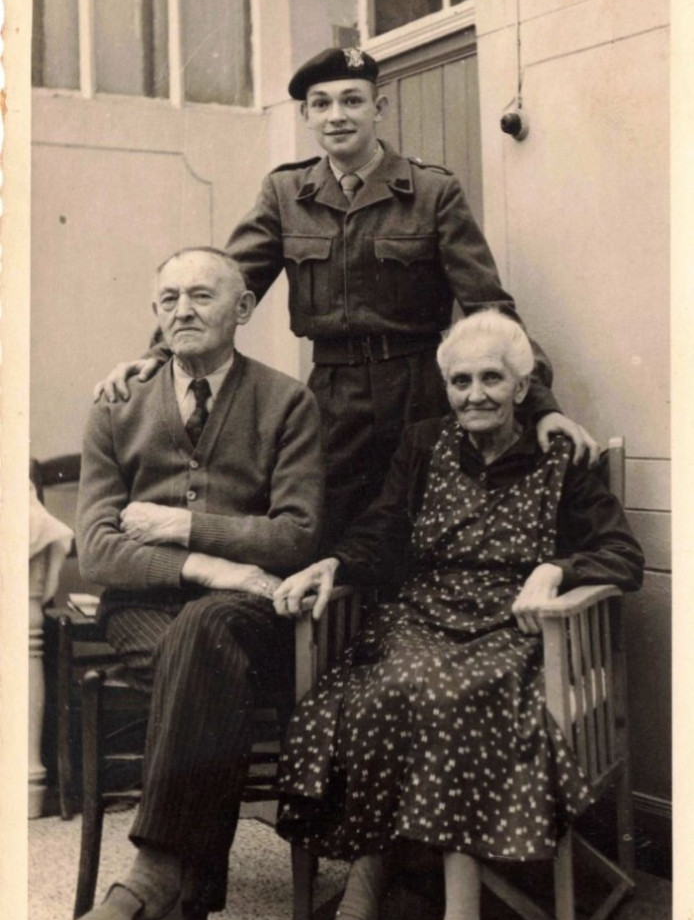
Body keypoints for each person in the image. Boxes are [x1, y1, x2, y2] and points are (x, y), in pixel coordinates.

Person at [271, 308, 644, 920]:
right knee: (377, 689)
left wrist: (556, 570)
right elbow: (382, 532)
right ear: (446, 386)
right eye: (461, 380)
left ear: (523, 384)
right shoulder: (421, 445)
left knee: (449, 693)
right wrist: (335, 562)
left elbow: (625, 556)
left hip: (516, 629)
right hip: (422, 613)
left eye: (492, 379)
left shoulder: (562, 455)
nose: (475, 394)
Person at [93, 46, 598, 549]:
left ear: (379, 109)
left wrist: (540, 404)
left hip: (418, 390)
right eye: (322, 104)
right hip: (333, 397)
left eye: (352, 101)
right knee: (325, 531)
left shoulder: (430, 192)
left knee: (422, 526)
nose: (337, 116)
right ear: (306, 115)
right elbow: (219, 288)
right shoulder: (285, 194)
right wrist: (157, 356)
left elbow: (490, 309)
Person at [58, 248, 323, 920]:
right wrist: (209, 566)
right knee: (196, 640)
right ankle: (183, 918)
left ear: (242, 309)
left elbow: (298, 535)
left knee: (203, 639)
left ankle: (158, 889)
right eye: (168, 297)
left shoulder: (286, 403)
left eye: (202, 295)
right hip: (151, 608)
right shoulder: (117, 405)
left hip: (250, 616)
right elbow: (97, 549)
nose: (182, 309)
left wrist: (182, 525)